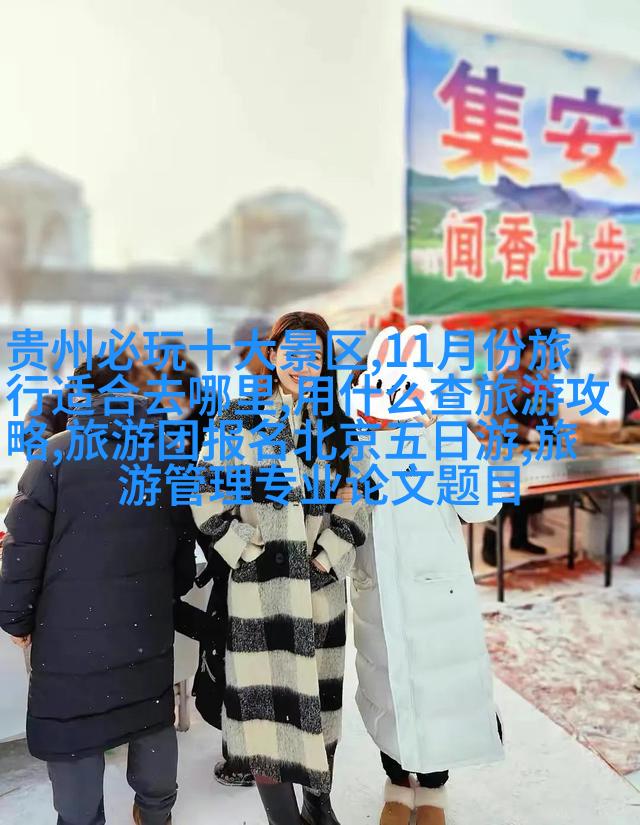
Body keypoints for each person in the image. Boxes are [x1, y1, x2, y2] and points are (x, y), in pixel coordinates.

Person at [191, 311, 371, 825]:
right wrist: (245, 549)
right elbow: (205, 493)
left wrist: (327, 556)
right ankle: (282, 820)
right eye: (291, 353)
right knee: (264, 720)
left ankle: (318, 804)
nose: (301, 365)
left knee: (322, 711)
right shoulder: (239, 418)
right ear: (272, 356)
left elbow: (356, 497)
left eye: (313, 356)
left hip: (319, 596)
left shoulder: (337, 425)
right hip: (260, 598)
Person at [0, 356, 196, 825]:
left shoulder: (53, 455)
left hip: (69, 638)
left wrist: (16, 620)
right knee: (149, 716)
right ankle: (155, 813)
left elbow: (21, 553)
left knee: (74, 731)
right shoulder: (168, 454)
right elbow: (182, 552)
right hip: (145, 627)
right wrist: (158, 598)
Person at [347, 325, 504, 825]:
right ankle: (397, 784)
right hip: (377, 590)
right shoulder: (356, 438)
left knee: (438, 693)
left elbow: (482, 506)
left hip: (437, 592)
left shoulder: (444, 433)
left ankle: (434, 793)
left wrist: (447, 431)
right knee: (386, 688)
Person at [482, 330, 556, 565]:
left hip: (533, 448)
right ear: (523, 352)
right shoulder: (508, 378)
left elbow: (548, 412)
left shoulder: (541, 380)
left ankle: (520, 539)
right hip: (508, 446)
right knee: (503, 499)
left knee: (527, 495)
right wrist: (527, 433)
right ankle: (489, 547)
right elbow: (499, 415)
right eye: (535, 351)